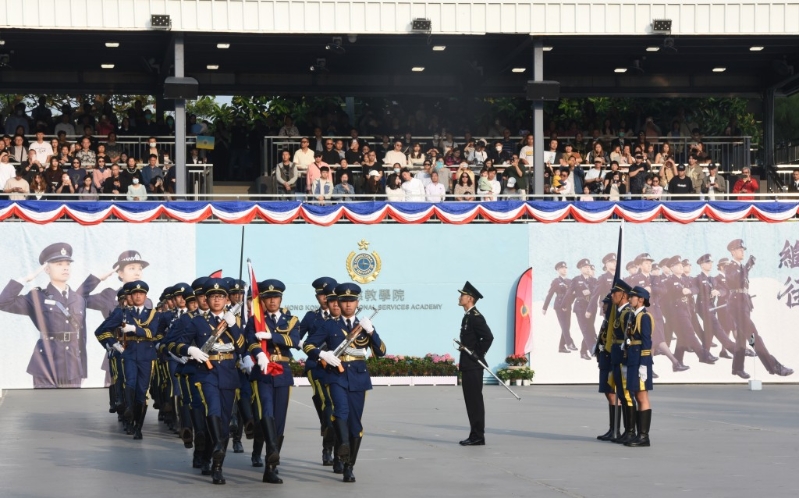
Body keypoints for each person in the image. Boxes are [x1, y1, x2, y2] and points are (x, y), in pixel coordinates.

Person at [303, 282, 386, 482]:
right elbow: (308, 345)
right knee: (339, 411)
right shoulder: (330, 325)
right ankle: (343, 446)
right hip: (336, 376)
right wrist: (323, 354)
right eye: (344, 301)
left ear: (357, 303)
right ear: (338, 302)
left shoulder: (363, 326)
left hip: (358, 377)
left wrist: (372, 332)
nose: (348, 305)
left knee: (355, 424)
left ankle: (349, 466)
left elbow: (381, 352)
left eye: (352, 301)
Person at [0, 243, 100, 387]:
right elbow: (3, 303)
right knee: (45, 407)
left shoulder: (78, 299)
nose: (65, 267)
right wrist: (25, 279)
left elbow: (82, 336)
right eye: (59, 264)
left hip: (73, 367)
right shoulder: (37, 296)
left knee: (73, 408)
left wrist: (83, 369)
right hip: (45, 365)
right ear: (47, 269)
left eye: (67, 264)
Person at [175, 279, 245, 484]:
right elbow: (178, 343)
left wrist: (233, 327)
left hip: (229, 373)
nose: (216, 299)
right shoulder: (197, 322)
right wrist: (189, 350)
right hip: (206, 373)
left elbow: (242, 348)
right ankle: (216, 448)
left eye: (221, 296)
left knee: (224, 420)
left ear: (226, 299)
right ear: (206, 299)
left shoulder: (235, 321)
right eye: (213, 296)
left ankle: (217, 464)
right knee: (212, 409)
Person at [245, 279, 300, 484]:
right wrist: (259, 352)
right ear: (263, 301)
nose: (272, 301)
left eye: (275, 297)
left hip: (282, 373)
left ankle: (271, 466)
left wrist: (271, 336)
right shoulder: (255, 320)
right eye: (268, 298)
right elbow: (249, 341)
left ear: (281, 298)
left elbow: (295, 341)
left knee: (279, 419)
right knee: (265, 412)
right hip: (263, 373)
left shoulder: (291, 320)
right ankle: (273, 450)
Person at [725, 239, 793, 378]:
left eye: (743, 249)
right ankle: (774, 367)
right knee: (754, 337)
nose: (742, 251)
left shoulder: (740, 267)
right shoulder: (730, 266)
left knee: (743, 338)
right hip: (737, 306)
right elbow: (736, 280)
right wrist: (748, 267)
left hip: (743, 305)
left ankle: (737, 368)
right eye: (739, 249)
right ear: (732, 252)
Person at [298, 278, 338, 468]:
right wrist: (310, 349)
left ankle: (332, 443)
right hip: (316, 366)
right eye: (322, 295)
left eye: (329, 296)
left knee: (336, 408)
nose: (325, 299)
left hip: (337, 368)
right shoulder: (311, 317)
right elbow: (296, 338)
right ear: (317, 297)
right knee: (326, 402)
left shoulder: (342, 318)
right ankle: (328, 449)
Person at [456, 281, 494, 446]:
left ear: (470, 298)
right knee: (470, 402)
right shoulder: (468, 316)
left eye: (462, 295)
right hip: (468, 364)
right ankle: (474, 434)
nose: (460, 297)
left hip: (473, 365)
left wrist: (476, 354)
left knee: (475, 402)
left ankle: (478, 436)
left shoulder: (475, 317)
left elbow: (488, 337)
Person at [623, 286, 654, 447]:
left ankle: (644, 436)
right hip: (633, 359)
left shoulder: (644, 317)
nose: (629, 299)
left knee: (642, 396)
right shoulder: (633, 316)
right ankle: (638, 434)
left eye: (632, 297)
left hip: (641, 360)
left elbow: (646, 341)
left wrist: (643, 364)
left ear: (640, 299)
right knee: (636, 395)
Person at [543, 262, 574, 353]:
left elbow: (572, 295)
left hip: (568, 305)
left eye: (565, 268)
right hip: (559, 306)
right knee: (564, 326)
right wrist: (545, 307)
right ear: (558, 270)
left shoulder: (570, 281)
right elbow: (550, 294)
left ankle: (561, 347)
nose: (564, 269)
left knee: (567, 326)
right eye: (562, 268)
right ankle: (569, 343)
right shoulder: (556, 281)